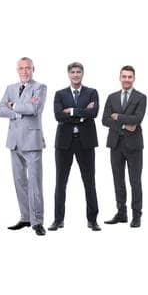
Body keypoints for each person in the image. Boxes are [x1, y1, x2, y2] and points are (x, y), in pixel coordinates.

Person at [0, 57, 48, 236]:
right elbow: (0, 110)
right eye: (21, 68)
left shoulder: (40, 88)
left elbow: (34, 109)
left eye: (28, 68)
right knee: (19, 181)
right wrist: (18, 112)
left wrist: (13, 105)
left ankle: (38, 221)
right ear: (17, 70)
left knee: (35, 183)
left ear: (34, 69)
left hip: (32, 141)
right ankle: (26, 217)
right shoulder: (10, 88)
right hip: (14, 141)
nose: (24, 71)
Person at [51, 62, 101, 232]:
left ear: (83, 74)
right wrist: (81, 114)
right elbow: (58, 116)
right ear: (68, 74)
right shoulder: (59, 94)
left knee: (89, 182)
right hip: (64, 143)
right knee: (60, 182)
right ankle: (58, 220)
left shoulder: (92, 92)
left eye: (79, 72)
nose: (76, 75)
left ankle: (93, 220)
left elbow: (93, 113)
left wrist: (71, 111)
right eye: (73, 72)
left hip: (85, 142)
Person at [102, 66, 147, 227]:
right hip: (115, 144)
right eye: (124, 76)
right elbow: (105, 119)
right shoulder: (112, 97)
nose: (127, 79)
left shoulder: (141, 97)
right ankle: (121, 213)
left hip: (134, 145)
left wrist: (118, 117)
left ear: (134, 78)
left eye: (129, 77)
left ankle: (137, 215)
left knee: (135, 181)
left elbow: (137, 118)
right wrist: (123, 125)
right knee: (118, 180)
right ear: (119, 77)